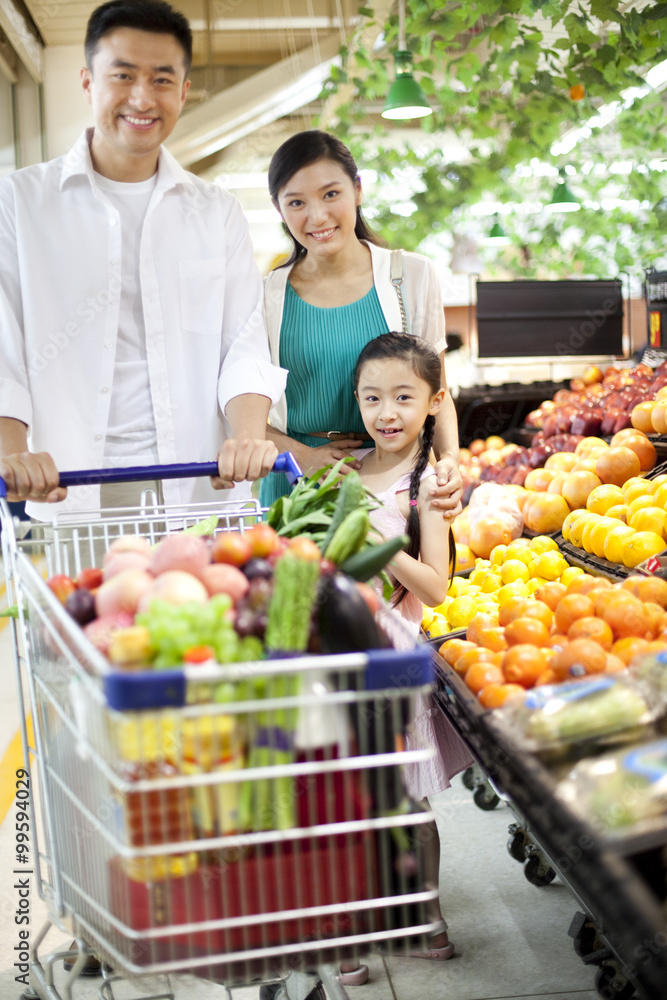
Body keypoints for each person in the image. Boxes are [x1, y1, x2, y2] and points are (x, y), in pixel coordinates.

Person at [0, 0, 286, 525]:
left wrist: (247, 438)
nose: (141, 97)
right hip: (71, 485)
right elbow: (3, 343)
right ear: (88, 82)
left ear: (182, 91)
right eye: (123, 75)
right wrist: (11, 447)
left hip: (197, 487)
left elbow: (243, 342)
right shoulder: (19, 201)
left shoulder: (216, 211)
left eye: (160, 79)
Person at [259, 129, 461, 515]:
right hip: (296, 484)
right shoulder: (265, 296)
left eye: (331, 194)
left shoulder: (411, 276)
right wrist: (306, 455)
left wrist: (450, 458)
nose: (317, 216)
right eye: (296, 202)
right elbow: (242, 417)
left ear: (357, 189)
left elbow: (440, 392)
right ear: (278, 208)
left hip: (395, 484)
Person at [352, 332, 473, 964]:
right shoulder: (347, 473)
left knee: (403, 796)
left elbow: (435, 585)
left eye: (403, 396)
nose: (387, 412)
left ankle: (427, 917)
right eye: (372, 398)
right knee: (346, 795)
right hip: (342, 653)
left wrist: (378, 544)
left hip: (394, 653)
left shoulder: (428, 483)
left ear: (434, 402)